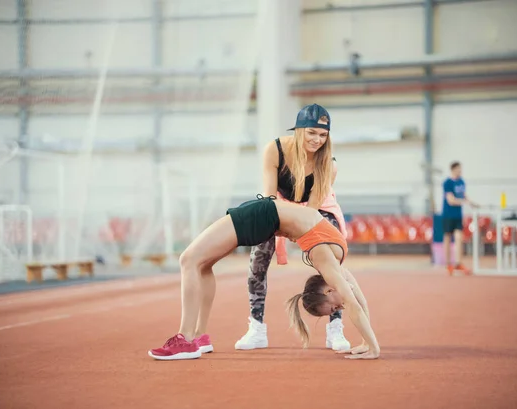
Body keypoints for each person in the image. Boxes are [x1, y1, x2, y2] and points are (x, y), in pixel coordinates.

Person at [148, 195, 380, 361]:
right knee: (196, 262)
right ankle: (193, 338)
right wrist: (373, 347)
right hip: (262, 215)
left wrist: (368, 343)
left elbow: (356, 301)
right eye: (334, 307)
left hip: (266, 216)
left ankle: (192, 338)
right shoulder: (327, 260)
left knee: (195, 262)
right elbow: (355, 302)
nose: (340, 307)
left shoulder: (336, 261)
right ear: (328, 290)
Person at [235, 103, 351, 352]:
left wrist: (298, 235)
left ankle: (335, 328)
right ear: (298, 131)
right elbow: (268, 198)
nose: (317, 139)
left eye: (322, 135)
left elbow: (311, 213)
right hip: (277, 204)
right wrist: (279, 226)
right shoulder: (275, 150)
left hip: (316, 209)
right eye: (311, 133)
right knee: (259, 256)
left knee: (330, 258)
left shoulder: (329, 165)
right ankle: (256, 327)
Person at [442, 161, 478, 275]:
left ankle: (459, 262)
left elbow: (464, 195)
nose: (460, 171)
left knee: (459, 237)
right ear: (453, 169)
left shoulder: (462, 181)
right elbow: (451, 200)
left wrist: (472, 202)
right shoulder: (447, 183)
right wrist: (464, 202)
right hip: (448, 214)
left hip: (458, 215)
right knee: (447, 238)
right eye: (458, 169)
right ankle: (448, 264)